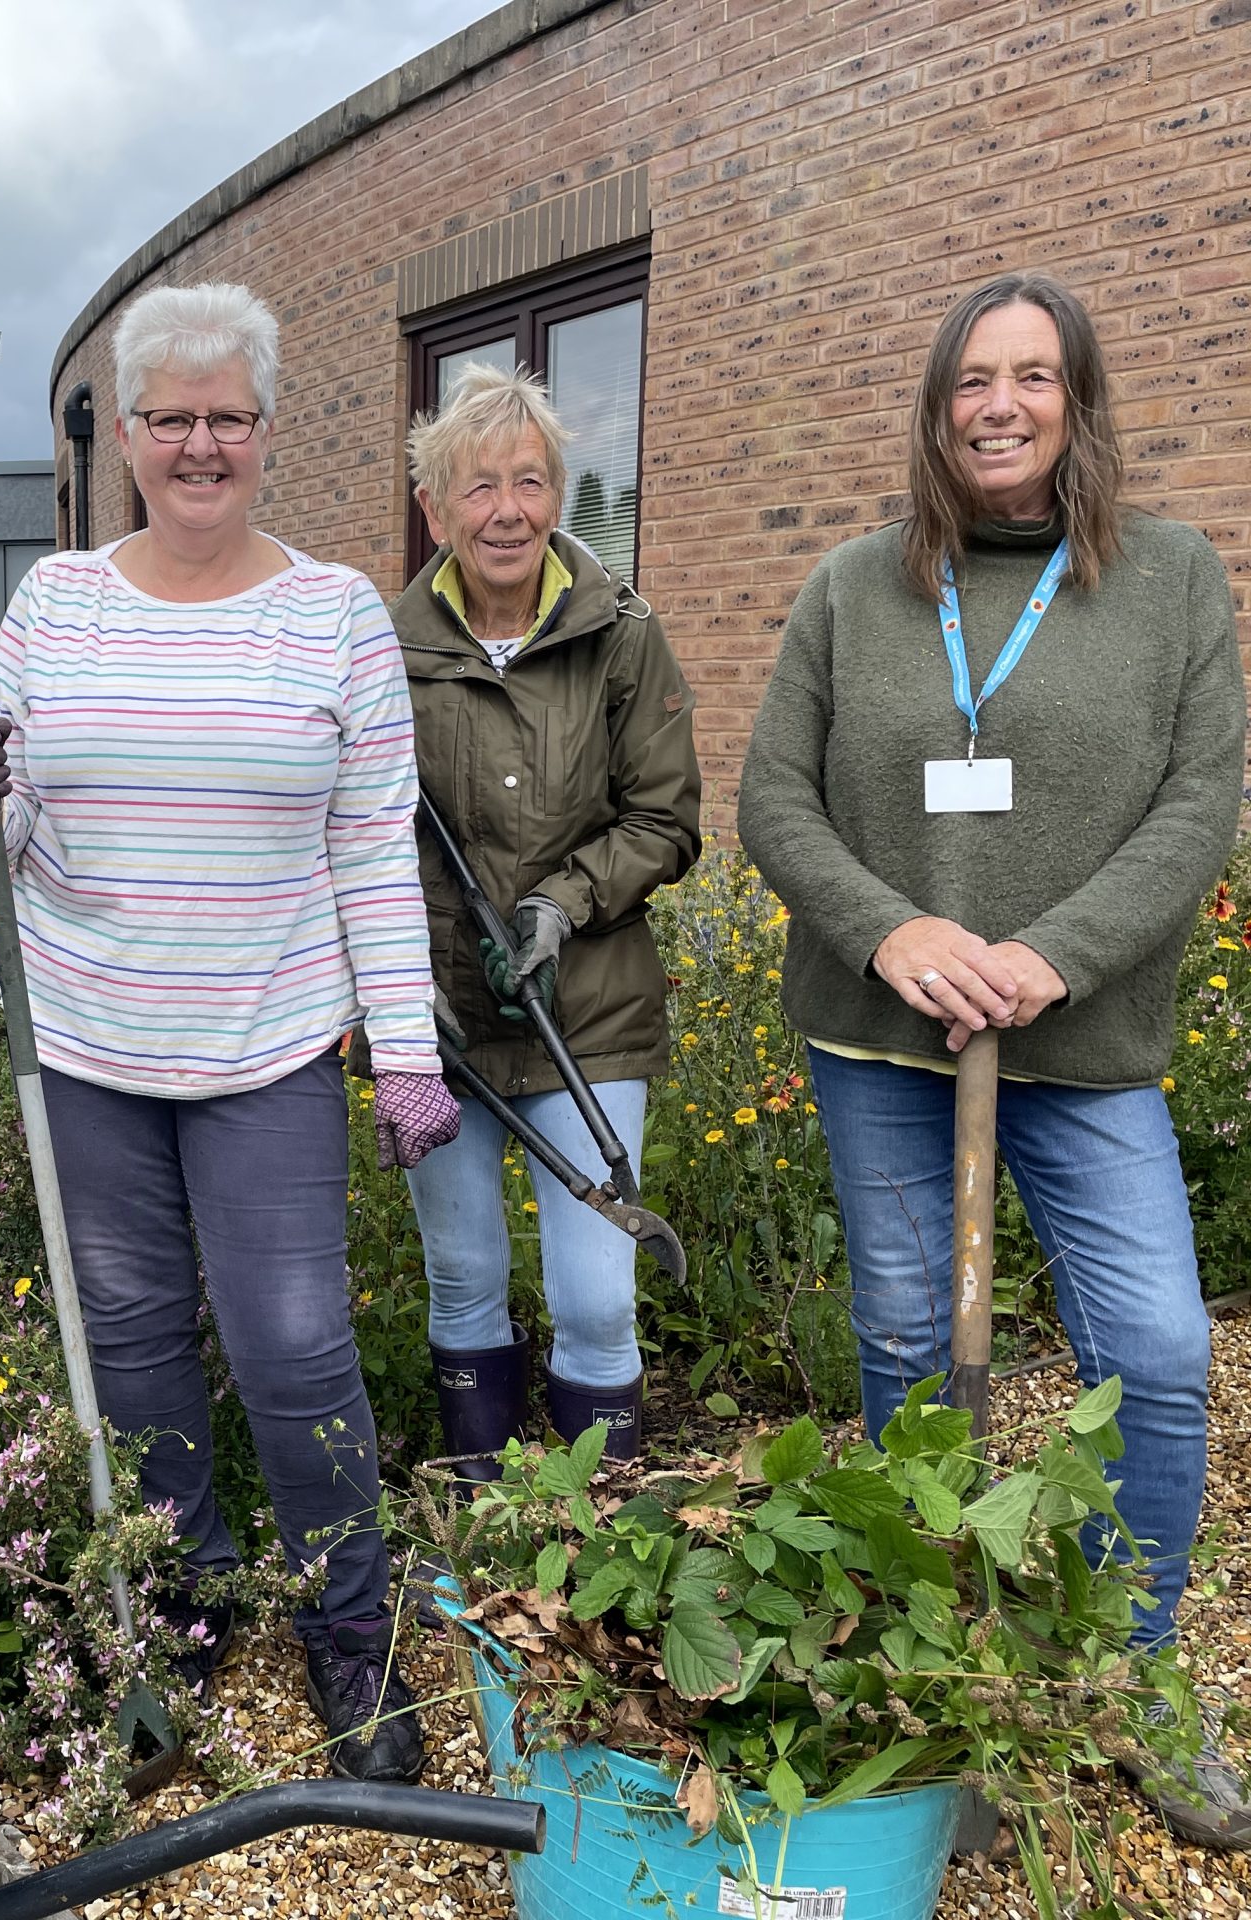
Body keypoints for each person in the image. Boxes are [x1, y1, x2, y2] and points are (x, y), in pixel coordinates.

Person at [736, 271, 1251, 1849]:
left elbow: (1198, 802)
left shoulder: (1172, 582)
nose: (1001, 405)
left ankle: (1137, 1680)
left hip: (1082, 1044)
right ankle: (939, 1679)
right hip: (884, 1040)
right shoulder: (852, 587)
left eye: (1034, 376)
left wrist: (1052, 954)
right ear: (936, 403)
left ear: (1077, 399)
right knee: (911, 1359)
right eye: (975, 377)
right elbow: (776, 800)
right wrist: (894, 932)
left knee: (1157, 1355)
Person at [0, 284, 457, 1782]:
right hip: (88, 1048)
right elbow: (5, 828)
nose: (200, 445)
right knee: (137, 1348)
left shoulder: (335, 612)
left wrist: (402, 1049)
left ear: (269, 432)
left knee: (297, 1350)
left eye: (229, 417)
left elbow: (372, 843)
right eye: (171, 417)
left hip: (268, 1047)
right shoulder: (58, 603)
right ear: (131, 437)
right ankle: (185, 1606)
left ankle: (351, 1632)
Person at [389, 363, 700, 1472]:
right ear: (434, 507)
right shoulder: (382, 649)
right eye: (477, 488)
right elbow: (355, 831)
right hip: (440, 1025)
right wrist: (391, 985)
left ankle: (595, 1535)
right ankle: (483, 1509)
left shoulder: (621, 634)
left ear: (560, 492)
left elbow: (665, 818)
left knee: (597, 1295)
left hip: (590, 1014)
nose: (507, 510)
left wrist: (561, 905)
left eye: (530, 481)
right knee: (463, 1275)